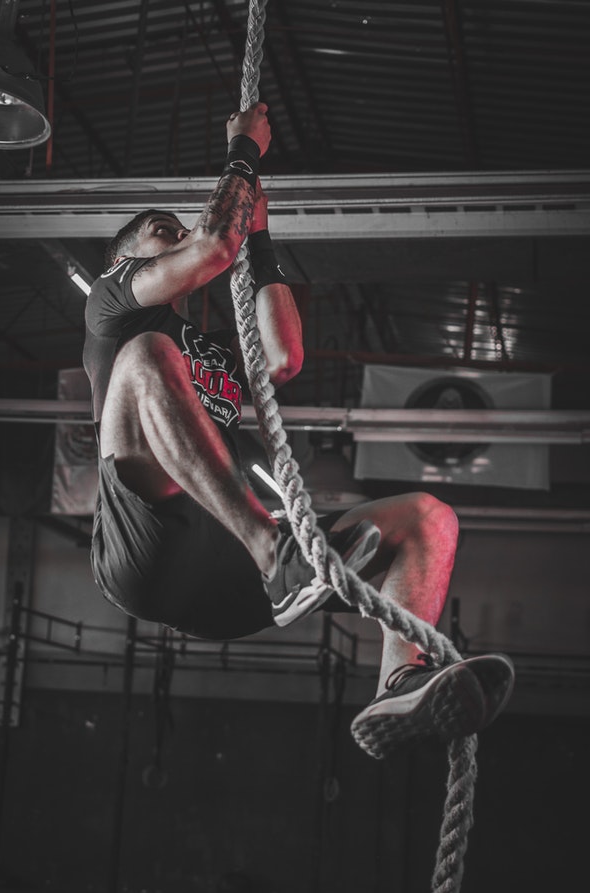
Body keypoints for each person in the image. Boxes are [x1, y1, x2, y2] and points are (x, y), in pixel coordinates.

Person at [83, 103, 514, 755]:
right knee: (146, 358)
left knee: (431, 518)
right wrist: (243, 151)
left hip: (229, 586)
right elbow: (210, 247)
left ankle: (400, 678)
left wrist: (260, 233)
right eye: (159, 231)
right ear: (124, 261)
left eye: (175, 229)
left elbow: (285, 355)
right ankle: (271, 548)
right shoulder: (111, 306)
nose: (175, 237)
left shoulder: (209, 349)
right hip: (146, 542)